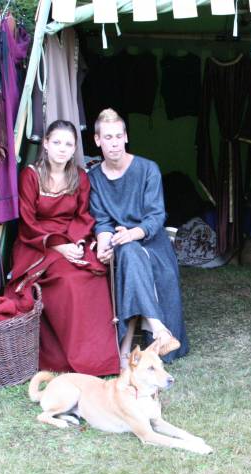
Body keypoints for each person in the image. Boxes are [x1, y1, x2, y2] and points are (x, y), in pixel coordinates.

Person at [6, 120, 119, 376]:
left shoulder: (79, 176)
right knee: (69, 281)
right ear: (45, 144)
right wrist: (59, 247)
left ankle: (100, 358)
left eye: (68, 144)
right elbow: (27, 222)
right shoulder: (30, 176)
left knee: (94, 276)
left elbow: (83, 215)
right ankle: (73, 357)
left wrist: (76, 242)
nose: (62, 149)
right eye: (56, 142)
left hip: (72, 237)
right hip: (38, 244)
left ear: (74, 148)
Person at [88, 109, 188, 367]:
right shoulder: (94, 178)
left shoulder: (147, 169)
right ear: (97, 140)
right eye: (107, 137)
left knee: (132, 253)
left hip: (152, 243)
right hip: (119, 244)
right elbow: (102, 220)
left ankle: (126, 348)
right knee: (129, 253)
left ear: (126, 137)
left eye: (118, 136)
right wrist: (103, 243)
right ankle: (159, 330)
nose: (114, 143)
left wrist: (132, 233)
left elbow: (156, 215)